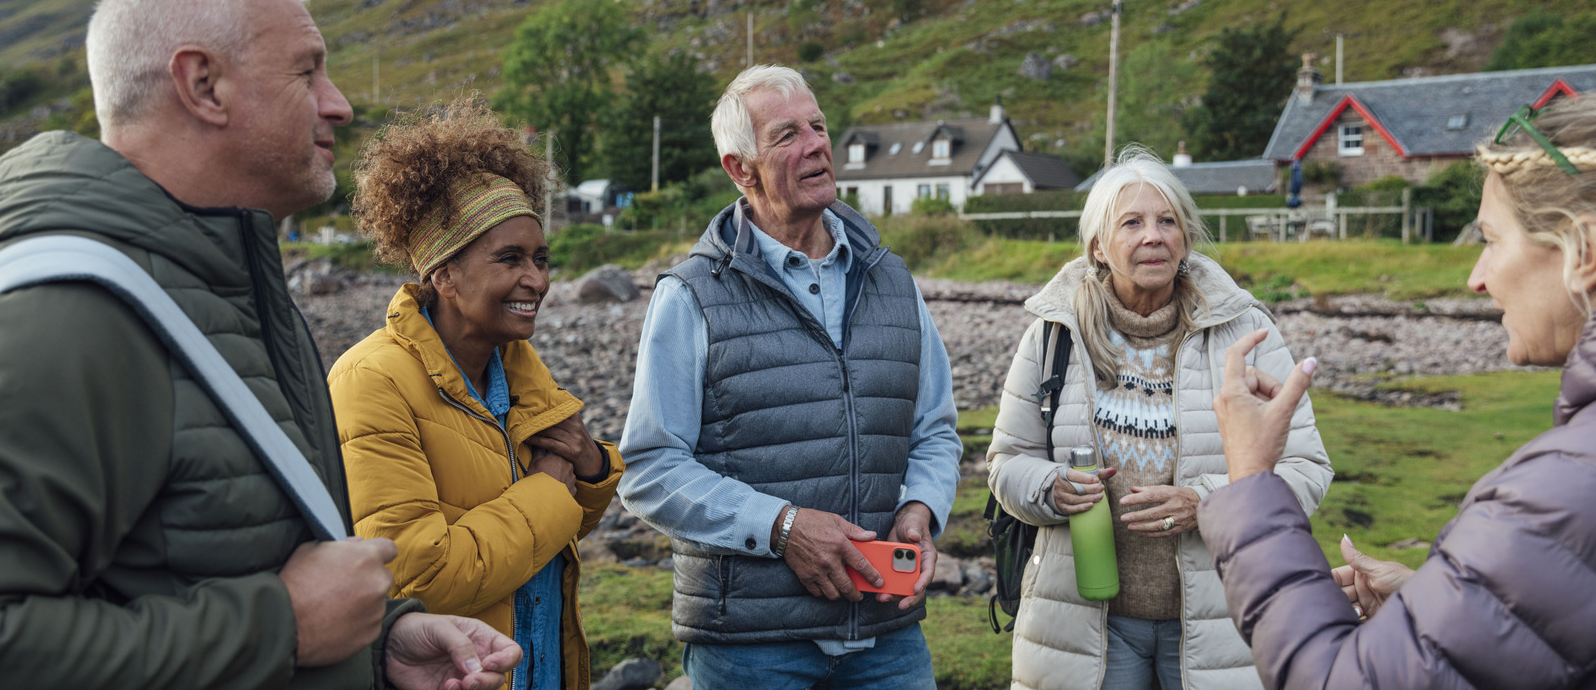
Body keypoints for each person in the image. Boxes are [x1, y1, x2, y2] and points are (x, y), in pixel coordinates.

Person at [0, 0, 519, 690]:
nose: (338, 105)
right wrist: (281, 626)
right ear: (203, 84)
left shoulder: (227, 284)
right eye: (308, 72)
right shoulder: (64, 316)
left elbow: (229, 559)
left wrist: (376, 645)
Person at [1202, 94, 1596, 689]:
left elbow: (1336, 682)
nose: (1475, 277)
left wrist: (1252, 478)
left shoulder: (1559, 494)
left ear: (1582, 250)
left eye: (1491, 239)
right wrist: (1435, 607)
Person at [617, 65, 963, 689]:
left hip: (888, 638)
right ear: (739, 169)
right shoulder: (690, 295)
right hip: (750, 649)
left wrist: (920, 508)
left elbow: (935, 430)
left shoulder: (892, 279)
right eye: (787, 135)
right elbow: (649, 469)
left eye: (819, 126)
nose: (815, 144)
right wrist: (781, 529)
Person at [985, 149, 1331, 690]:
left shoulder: (1247, 333)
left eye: (1167, 220)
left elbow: (1306, 468)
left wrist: (1207, 503)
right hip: (1085, 623)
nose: (1154, 236)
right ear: (1099, 245)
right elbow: (1006, 465)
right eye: (1132, 223)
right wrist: (1051, 488)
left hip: (1218, 621)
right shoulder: (1054, 334)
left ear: (1186, 237)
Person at [328, 100, 623, 690]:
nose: (536, 280)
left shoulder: (518, 369)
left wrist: (591, 467)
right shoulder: (372, 381)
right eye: (509, 259)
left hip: (540, 665)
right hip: (461, 674)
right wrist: (548, 488)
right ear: (443, 274)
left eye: (540, 259)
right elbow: (415, 578)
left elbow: (549, 531)